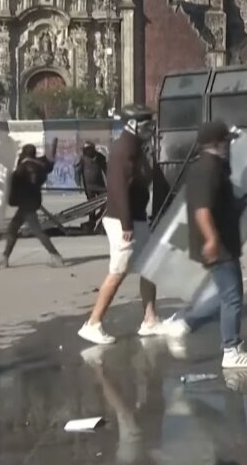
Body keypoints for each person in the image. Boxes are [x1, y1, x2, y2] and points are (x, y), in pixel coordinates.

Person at [158, 121, 247, 369]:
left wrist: (236, 206)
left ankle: (186, 323)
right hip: (218, 244)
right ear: (217, 142)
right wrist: (212, 239)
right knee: (232, 297)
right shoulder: (208, 170)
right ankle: (230, 350)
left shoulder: (212, 166)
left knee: (226, 295)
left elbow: (215, 204)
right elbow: (202, 210)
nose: (229, 145)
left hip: (220, 241)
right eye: (226, 141)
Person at [78, 104, 161, 345]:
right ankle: (93, 324)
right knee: (118, 271)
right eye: (146, 125)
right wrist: (126, 224)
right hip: (122, 220)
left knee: (150, 266)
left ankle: (150, 319)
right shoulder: (124, 148)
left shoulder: (136, 146)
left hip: (136, 216)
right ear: (132, 124)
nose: (150, 129)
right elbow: (118, 188)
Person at [0, 144, 65, 269]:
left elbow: (15, 183)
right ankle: (4, 257)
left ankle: (56, 256)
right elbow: (47, 168)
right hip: (33, 201)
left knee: (37, 231)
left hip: (25, 203)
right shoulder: (39, 167)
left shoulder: (22, 167)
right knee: (13, 228)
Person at [74, 141, 108, 232]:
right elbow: (77, 171)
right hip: (89, 186)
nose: (88, 151)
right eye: (86, 149)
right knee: (91, 206)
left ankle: (99, 219)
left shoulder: (99, 157)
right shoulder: (83, 158)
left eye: (89, 149)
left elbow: (106, 169)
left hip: (100, 185)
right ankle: (92, 221)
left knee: (106, 203)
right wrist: (78, 184)